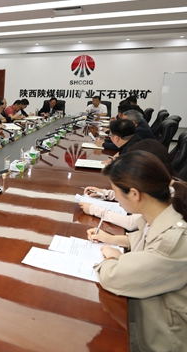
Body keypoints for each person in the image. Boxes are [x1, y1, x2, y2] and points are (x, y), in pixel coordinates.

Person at [87, 151, 187, 351]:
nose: (115, 197)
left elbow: (113, 276)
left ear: (134, 194)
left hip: (161, 338)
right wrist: (113, 240)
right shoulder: (164, 211)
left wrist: (112, 259)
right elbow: (144, 239)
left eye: (115, 191)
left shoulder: (173, 241)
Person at [80, 139, 176, 231]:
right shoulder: (162, 183)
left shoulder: (163, 197)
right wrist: (105, 193)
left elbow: (131, 223)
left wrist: (95, 210)